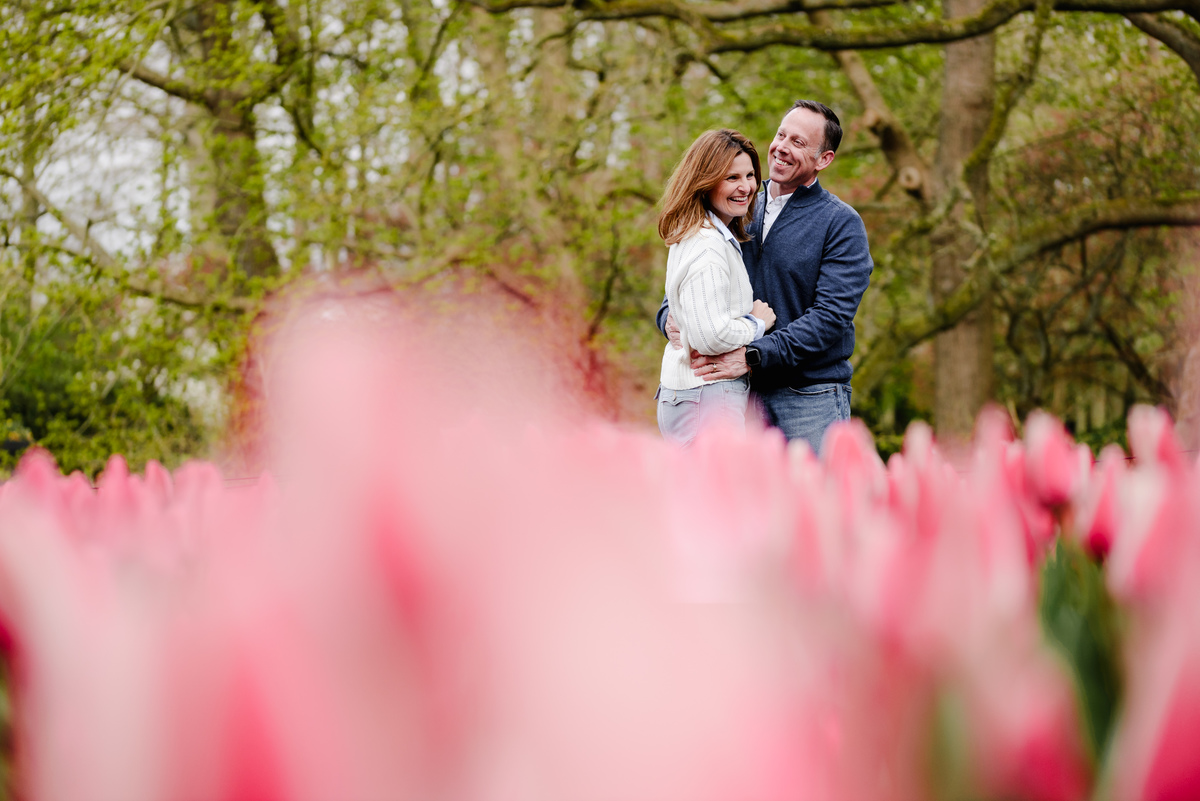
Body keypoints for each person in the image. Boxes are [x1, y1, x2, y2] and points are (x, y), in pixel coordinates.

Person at [657, 100, 873, 454]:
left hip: (807, 397)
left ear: (824, 159)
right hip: (735, 391)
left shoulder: (841, 224)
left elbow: (830, 318)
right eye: (781, 134)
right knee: (742, 506)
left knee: (810, 505)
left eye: (799, 142)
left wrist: (753, 354)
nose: (782, 147)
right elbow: (690, 280)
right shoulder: (738, 205)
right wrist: (669, 318)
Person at [654, 129, 777, 447]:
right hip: (706, 395)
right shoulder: (708, 245)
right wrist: (756, 323)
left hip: (693, 395)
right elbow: (712, 337)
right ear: (705, 181)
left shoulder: (702, 234)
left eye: (750, 175)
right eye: (731, 177)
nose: (746, 187)